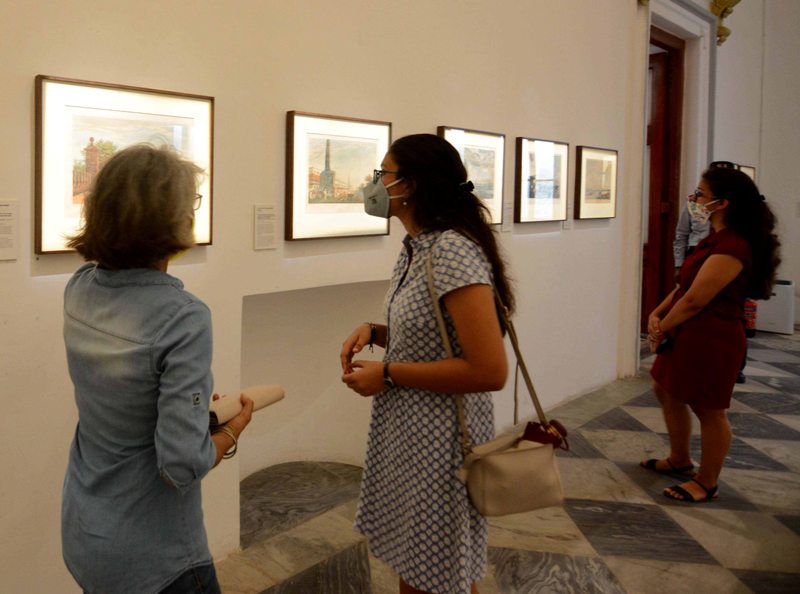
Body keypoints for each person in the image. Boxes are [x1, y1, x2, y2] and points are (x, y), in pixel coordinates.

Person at [61, 144, 254, 594]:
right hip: (157, 555)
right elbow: (181, 464)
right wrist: (232, 431)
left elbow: (127, 393)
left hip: (86, 528)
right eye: (191, 204)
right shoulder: (182, 316)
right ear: (171, 219)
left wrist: (184, 408)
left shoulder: (79, 287)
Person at [340, 133, 513, 594]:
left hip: (441, 443)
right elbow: (436, 338)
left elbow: (488, 370)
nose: (375, 185)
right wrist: (377, 334)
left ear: (410, 185)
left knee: (432, 574)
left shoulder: (452, 250)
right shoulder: (419, 246)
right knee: (428, 569)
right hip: (412, 436)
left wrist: (389, 372)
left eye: (383, 174)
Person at [642, 164, 780, 503]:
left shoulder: (733, 246)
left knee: (709, 409)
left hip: (712, 337)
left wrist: (662, 327)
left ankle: (707, 481)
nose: (694, 199)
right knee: (665, 388)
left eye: (700, 194)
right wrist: (657, 313)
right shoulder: (713, 239)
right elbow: (684, 286)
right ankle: (679, 459)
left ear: (723, 203)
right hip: (688, 331)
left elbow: (695, 299)